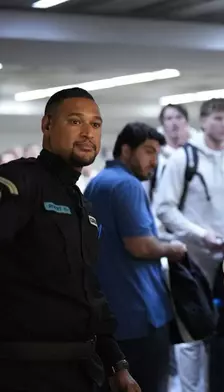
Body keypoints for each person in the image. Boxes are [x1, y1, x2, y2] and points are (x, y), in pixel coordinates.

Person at [0, 87, 139, 391]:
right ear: (47, 125)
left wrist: (117, 363)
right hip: (25, 372)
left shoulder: (81, 205)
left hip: (80, 370)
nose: (88, 133)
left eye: (96, 124)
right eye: (75, 121)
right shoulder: (21, 183)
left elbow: (88, 291)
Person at [156, 98, 224, 392]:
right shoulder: (183, 158)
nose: (223, 124)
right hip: (192, 257)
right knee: (191, 333)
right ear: (203, 122)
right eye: (217, 118)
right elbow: (164, 208)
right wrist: (200, 234)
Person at [84, 122, 187, 392]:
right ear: (126, 150)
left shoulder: (96, 183)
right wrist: (172, 248)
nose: (154, 161)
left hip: (109, 319)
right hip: (141, 315)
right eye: (149, 152)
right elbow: (140, 245)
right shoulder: (127, 185)